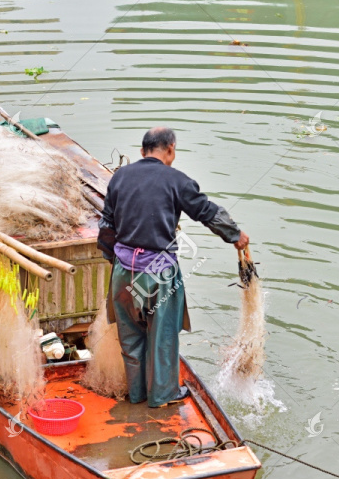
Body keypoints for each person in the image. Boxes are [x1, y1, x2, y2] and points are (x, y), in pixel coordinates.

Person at [97, 127, 250, 408]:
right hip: (158, 274)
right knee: (162, 335)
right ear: (170, 150)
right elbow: (206, 211)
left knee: (130, 336)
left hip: (123, 271)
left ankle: (137, 394)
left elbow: (107, 225)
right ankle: (163, 395)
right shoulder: (176, 180)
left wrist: (115, 262)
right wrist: (235, 235)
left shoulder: (120, 177)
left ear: (143, 151)